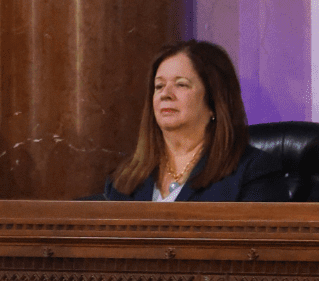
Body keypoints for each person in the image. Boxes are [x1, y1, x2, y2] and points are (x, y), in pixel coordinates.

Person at [104, 40, 288, 202]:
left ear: (214, 102)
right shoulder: (124, 179)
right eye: (159, 86)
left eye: (181, 84)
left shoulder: (253, 173)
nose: (165, 94)